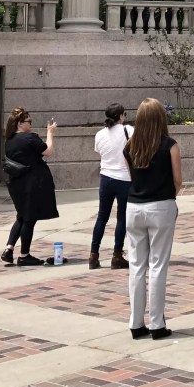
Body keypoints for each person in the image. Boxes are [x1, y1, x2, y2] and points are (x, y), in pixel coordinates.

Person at [124, 98, 183, 340]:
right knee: (158, 265)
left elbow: (132, 177)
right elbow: (178, 181)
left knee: (136, 266)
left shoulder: (129, 146)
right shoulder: (169, 145)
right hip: (161, 205)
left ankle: (136, 323)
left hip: (134, 206)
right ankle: (157, 323)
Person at [1, 106, 60, 267]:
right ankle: (24, 255)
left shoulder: (9, 139)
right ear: (20, 123)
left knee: (21, 215)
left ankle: (9, 249)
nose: (31, 124)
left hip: (15, 183)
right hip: (32, 183)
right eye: (29, 121)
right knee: (29, 219)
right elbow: (47, 151)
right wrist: (50, 132)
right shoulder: (30, 138)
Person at [90, 103, 132, 270]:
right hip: (124, 178)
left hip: (105, 178)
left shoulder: (100, 134)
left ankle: (93, 255)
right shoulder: (128, 130)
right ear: (121, 116)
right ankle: (117, 255)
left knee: (102, 217)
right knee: (122, 217)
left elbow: (99, 152)